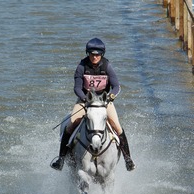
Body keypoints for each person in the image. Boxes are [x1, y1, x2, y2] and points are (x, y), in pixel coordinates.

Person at [52, 38, 135, 171]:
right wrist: (85, 99)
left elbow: (116, 86)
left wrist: (110, 97)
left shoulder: (107, 66)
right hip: (85, 101)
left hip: (104, 102)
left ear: (101, 54)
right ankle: (60, 159)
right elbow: (77, 88)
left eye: (97, 54)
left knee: (117, 127)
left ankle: (128, 159)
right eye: (91, 54)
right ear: (87, 53)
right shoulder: (81, 66)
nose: (94, 57)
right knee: (70, 125)